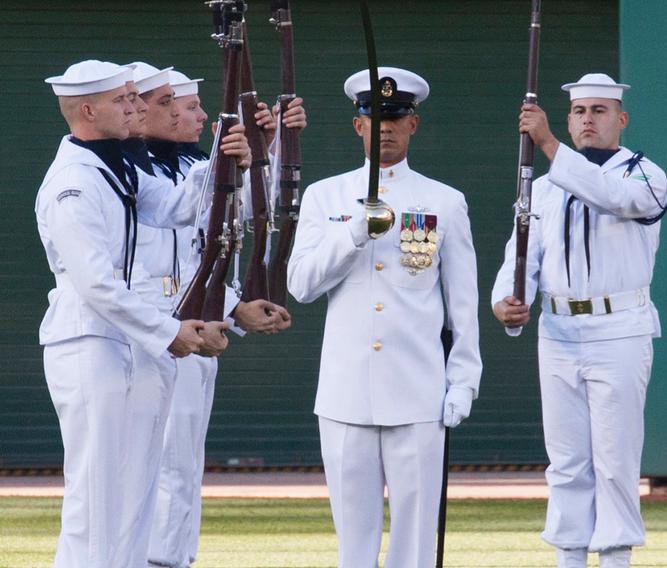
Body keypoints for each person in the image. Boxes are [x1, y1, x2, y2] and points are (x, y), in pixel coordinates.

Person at [286, 66, 481, 568]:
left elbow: (463, 306)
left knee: (416, 540)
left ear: (413, 124)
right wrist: (352, 232)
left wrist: (463, 380)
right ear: (358, 126)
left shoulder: (444, 201)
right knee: (353, 539)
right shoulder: (325, 197)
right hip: (346, 391)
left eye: (396, 118)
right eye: (375, 118)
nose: (385, 128)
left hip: (417, 390)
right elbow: (301, 285)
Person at [36, 59, 224, 568]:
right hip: (89, 342)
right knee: (99, 499)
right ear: (89, 110)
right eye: (124, 100)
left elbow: (182, 206)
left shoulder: (112, 165)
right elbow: (96, 282)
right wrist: (169, 332)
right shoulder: (74, 182)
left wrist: (238, 152)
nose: (137, 106)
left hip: (125, 343)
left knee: (137, 492)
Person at [491, 73, 667, 568]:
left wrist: (546, 143)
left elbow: (613, 197)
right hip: (558, 330)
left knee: (614, 459)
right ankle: (569, 556)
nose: (587, 120)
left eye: (598, 110)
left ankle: (614, 559)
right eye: (578, 112)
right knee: (567, 459)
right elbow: (521, 255)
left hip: (620, 328)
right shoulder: (545, 187)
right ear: (569, 119)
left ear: (621, 118)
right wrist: (506, 300)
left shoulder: (645, 175)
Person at [145, 67, 302, 568]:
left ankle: (174, 559)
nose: (203, 115)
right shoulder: (136, 172)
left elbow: (230, 227)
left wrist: (268, 149)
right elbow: (149, 273)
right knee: (156, 467)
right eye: (190, 107)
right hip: (153, 337)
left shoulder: (186, 168)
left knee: (184, 466)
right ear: (158, 109)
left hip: (196, 332)